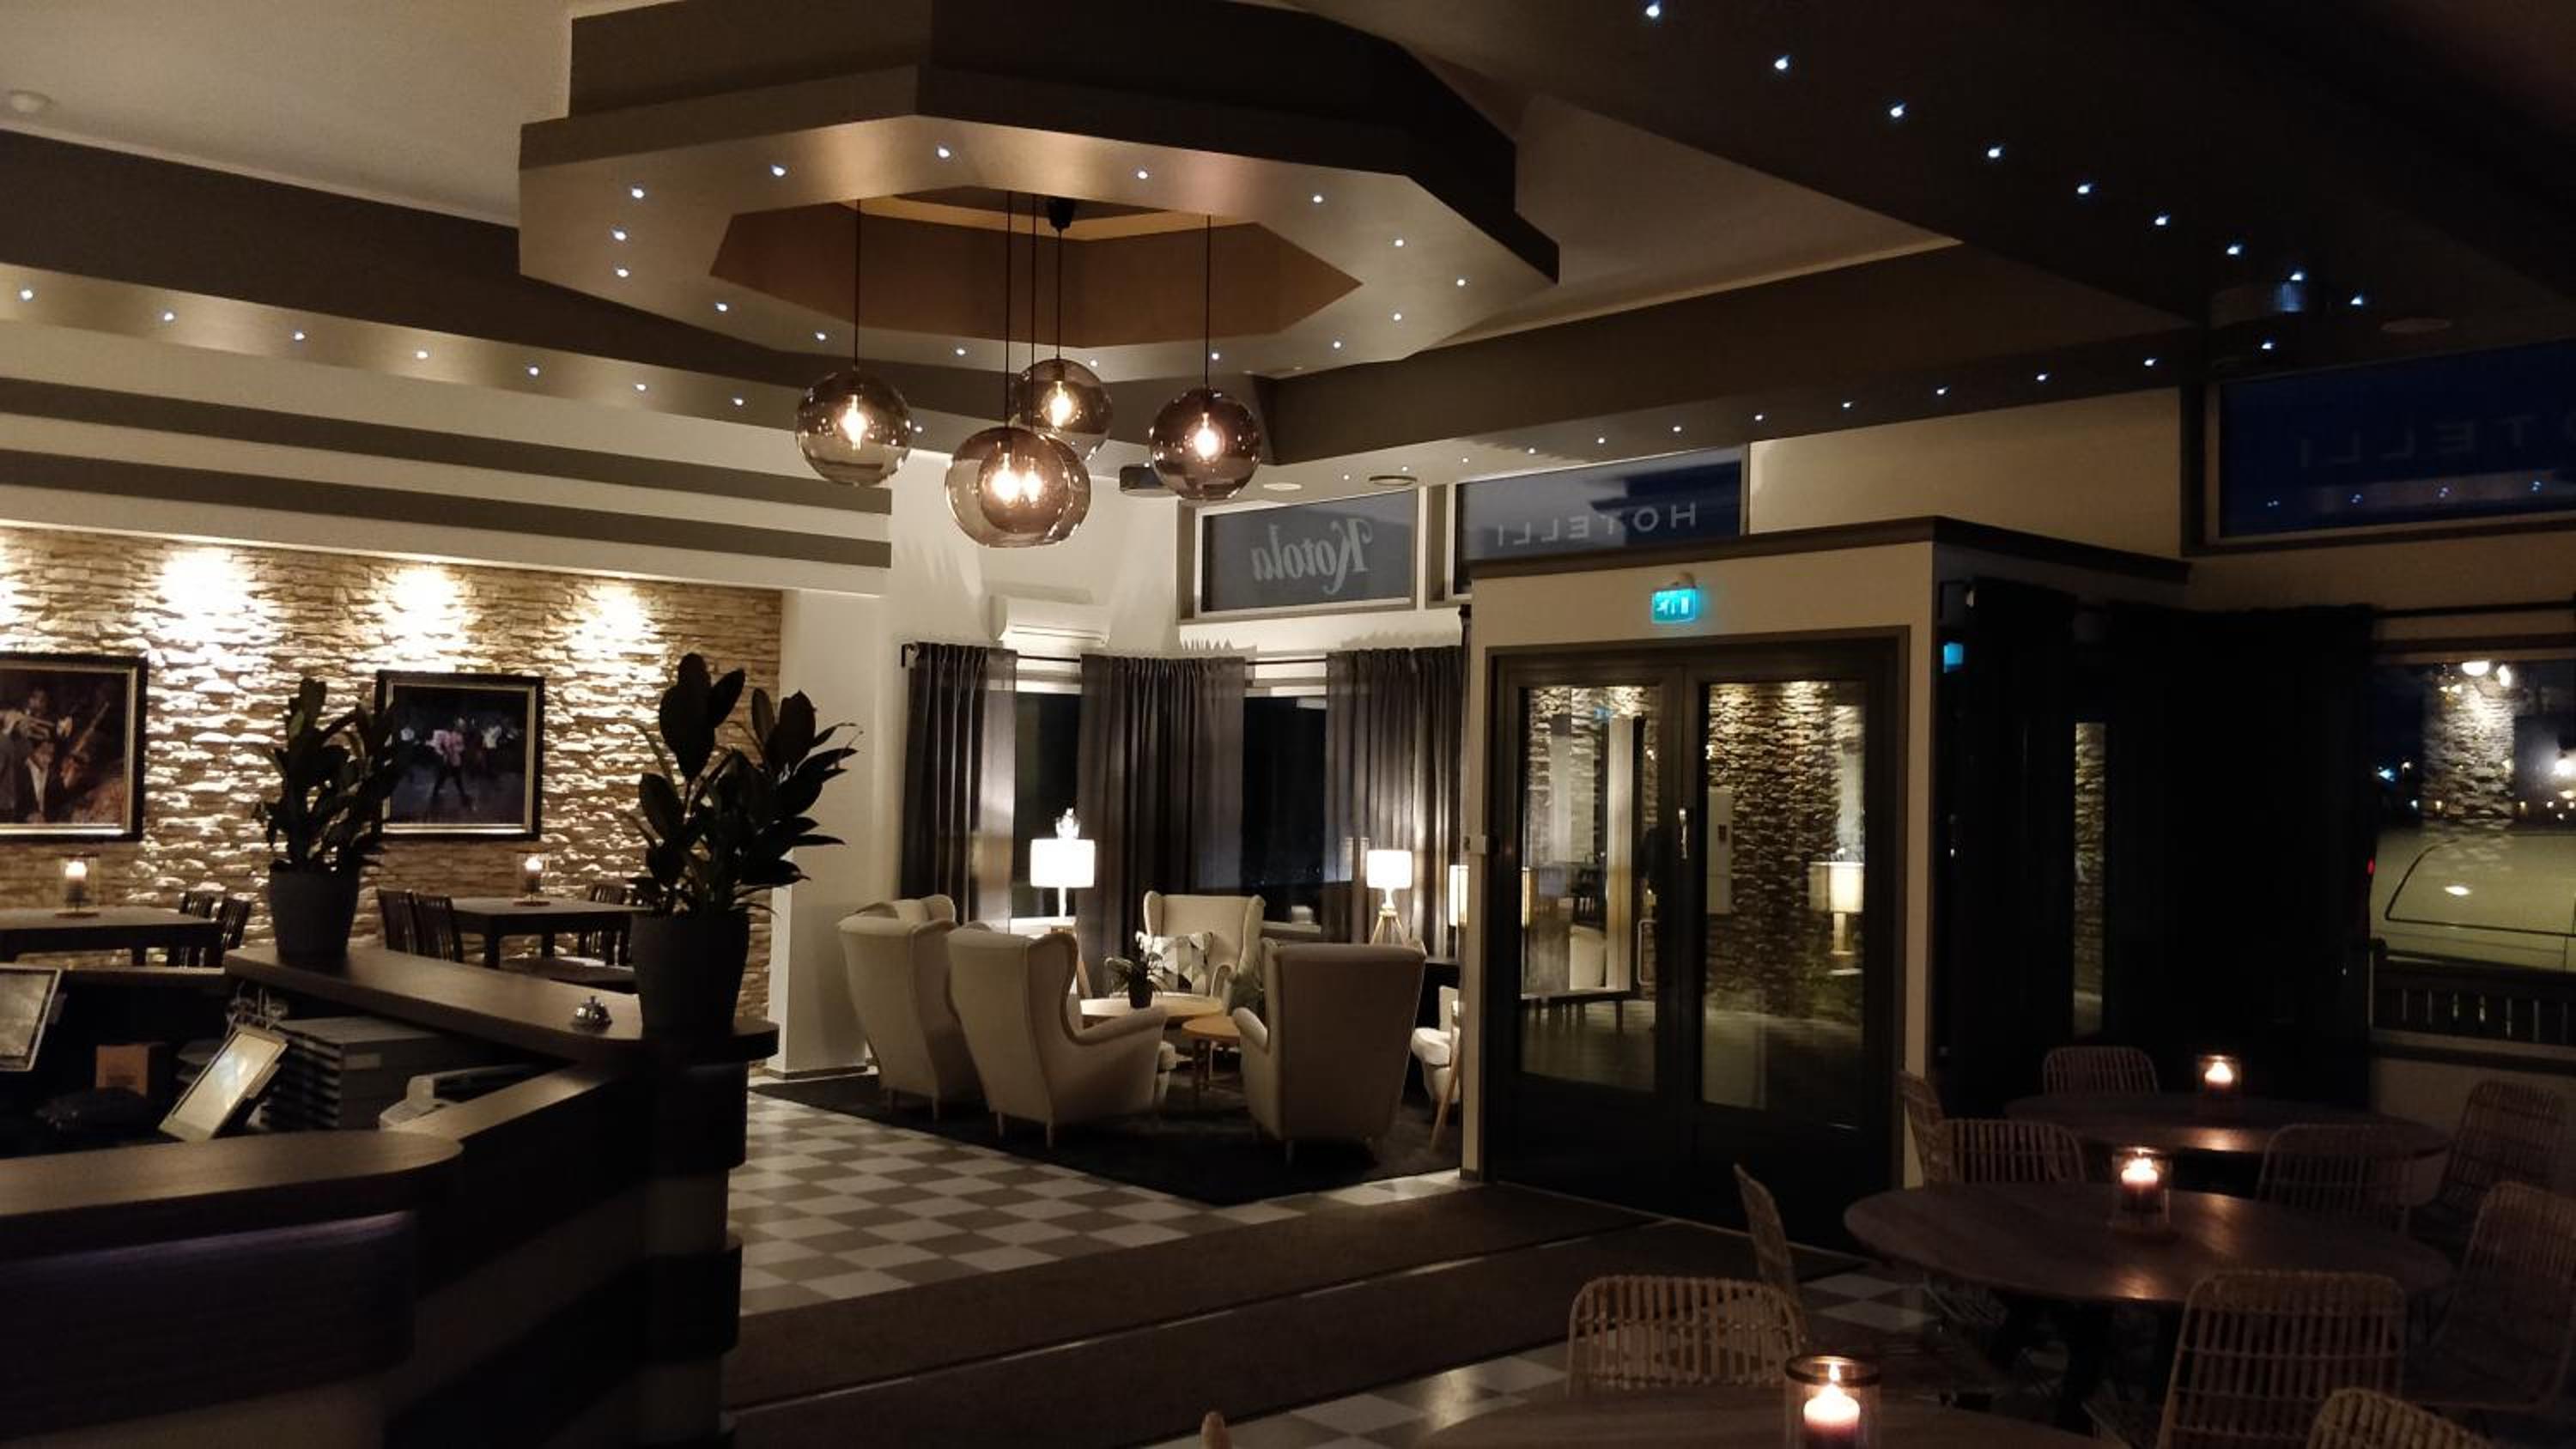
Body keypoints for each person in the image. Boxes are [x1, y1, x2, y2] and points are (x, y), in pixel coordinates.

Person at [428, 717, 473, 813]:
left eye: (462, 726)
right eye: (460, 726)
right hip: (447, 759)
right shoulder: (447, 734)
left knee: (457, 778)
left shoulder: (459, 736)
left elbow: (461, 747)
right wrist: (445, 752)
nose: (462, 728)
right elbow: (440, 746)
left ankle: (462, 794)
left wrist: (456, 749)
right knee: (442, 777)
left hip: (455, 760)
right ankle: (435, 794)